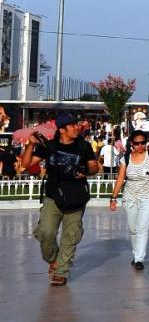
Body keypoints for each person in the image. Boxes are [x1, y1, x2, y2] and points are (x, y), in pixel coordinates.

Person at [19, 112, 99, 286]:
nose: (77, 127)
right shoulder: (49, 146)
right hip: (53, 196)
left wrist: (85, 171)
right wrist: (30, 146)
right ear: (63, 129)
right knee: (45, 232)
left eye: (76, 124)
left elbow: (94, 166)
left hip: (76, 196)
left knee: (71, 235)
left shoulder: (83, 146)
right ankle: (54, 261)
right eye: (73, 125)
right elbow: (26, 164)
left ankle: (61, 272)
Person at [108, 130, 149, 270]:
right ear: (132, 144)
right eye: (137, 143)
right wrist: (113, 197)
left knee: (141, 228)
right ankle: (136, 254)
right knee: (133, 229)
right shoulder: (125, 158)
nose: (140, 146)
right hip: (130, 198)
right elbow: (120, 179)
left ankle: (139, 259)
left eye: (143, 143)